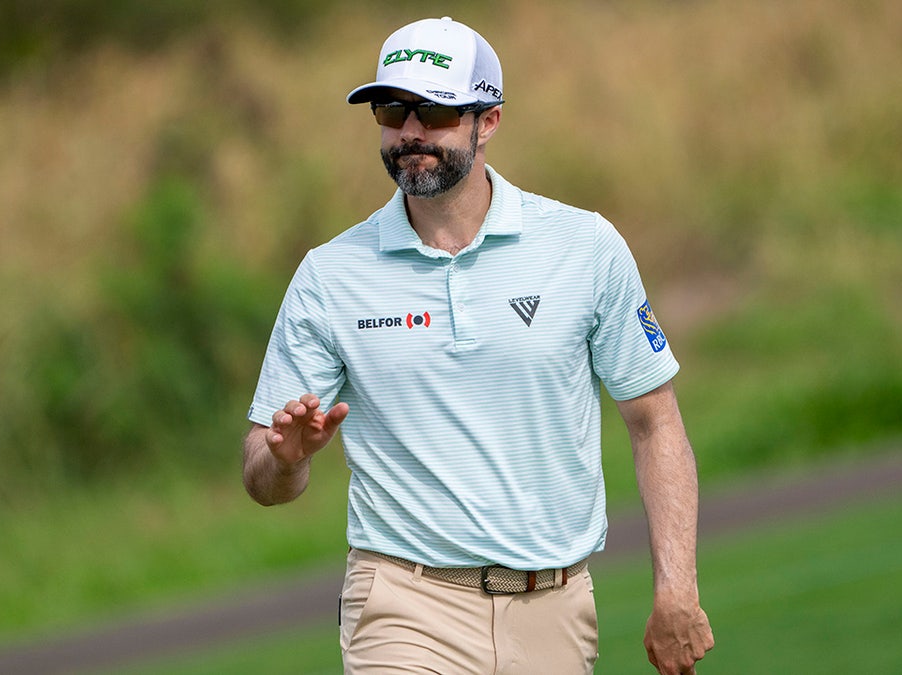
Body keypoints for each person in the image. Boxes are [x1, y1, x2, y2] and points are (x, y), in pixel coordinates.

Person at [243, 16, 714, 675]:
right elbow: (263, 476)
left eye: (433, 110)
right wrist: (286, 459)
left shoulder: (584, 247)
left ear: (487, 120)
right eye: (391, 109)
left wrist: (677, 589)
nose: (409, 131)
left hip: (553, 604)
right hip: (402, 603)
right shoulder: (331, 274)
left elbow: (654, 421)